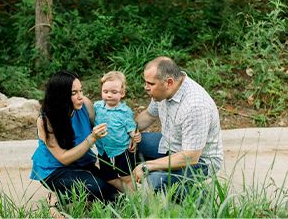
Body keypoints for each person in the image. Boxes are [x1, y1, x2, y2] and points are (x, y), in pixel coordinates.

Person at [133, 56, 223, 196]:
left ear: (169, 82)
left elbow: (190, 157)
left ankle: (202, 203)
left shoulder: (195, 105)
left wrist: (148, 166)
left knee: (156, 181)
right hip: (171, 145)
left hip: (200, 161)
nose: (146, 88)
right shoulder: (162, 91)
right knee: (130, 145)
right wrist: (129, 131)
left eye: (150, 84)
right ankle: (129, 189)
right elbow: (149, 115)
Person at [30, 70, 118, 203]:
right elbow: (63, 158)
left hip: (82, 164)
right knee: (98, 189)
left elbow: (105, 128)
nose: (80, 96)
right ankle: (56, 198)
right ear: (60, 96)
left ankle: (69, 197)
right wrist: (92, 138)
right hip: (55, 170)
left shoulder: (85, 105)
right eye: (73, 93)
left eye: (81, 91)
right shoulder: (46, 120)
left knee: (112, 192)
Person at [94, 71, 140, 192]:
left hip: (122, 150)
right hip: (103, 150)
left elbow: (131, 129)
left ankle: (135, 197)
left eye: (114, 92)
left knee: (127, 178)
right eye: (105, 92)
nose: (109, 95)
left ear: (122, 93)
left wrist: (135, 136)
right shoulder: (97, 107)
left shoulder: (124, 112)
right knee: (108, 177)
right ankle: (128, 193)